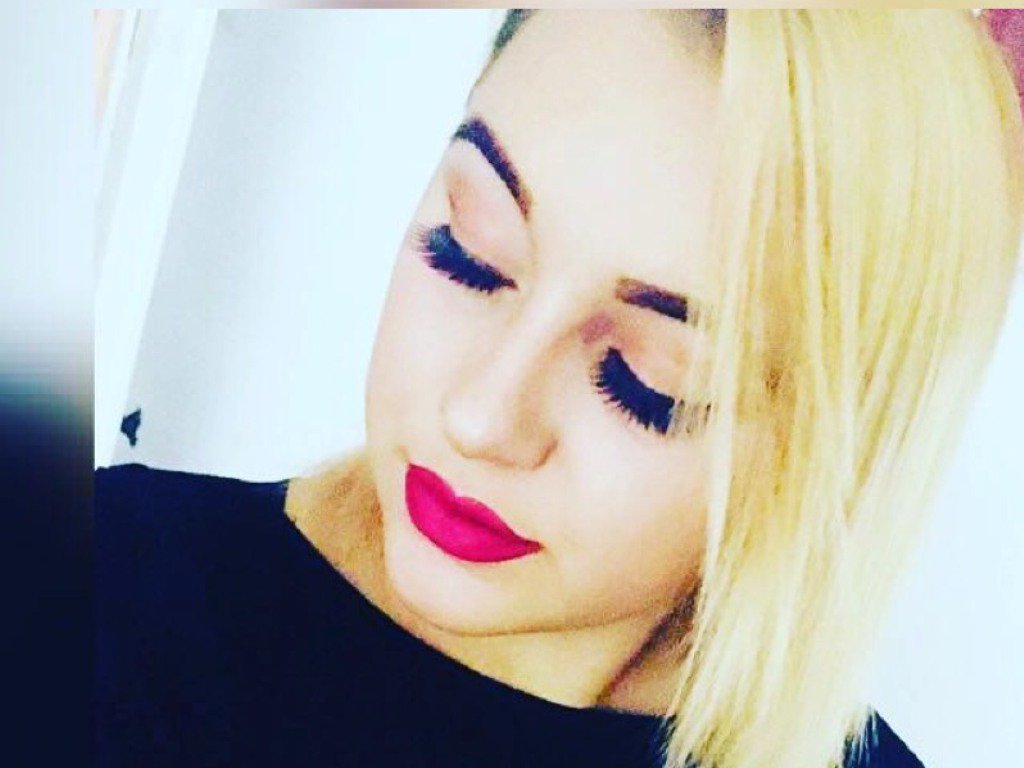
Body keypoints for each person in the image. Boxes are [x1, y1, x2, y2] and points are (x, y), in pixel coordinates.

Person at [95, 10, 1024, 768]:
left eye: (648, 385)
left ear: (831, 448)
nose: (480, 417)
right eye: (469, 253)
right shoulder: (106, 591)